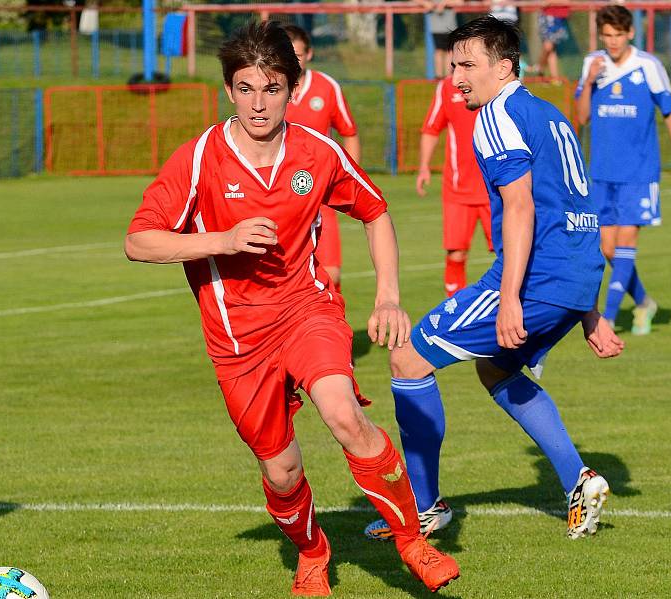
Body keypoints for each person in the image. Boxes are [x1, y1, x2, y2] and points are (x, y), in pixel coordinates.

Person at [124, 21, 459, 596]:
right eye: (247, 88)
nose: (259, 103)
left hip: (307, 310)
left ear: (293, 88)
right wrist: (221, 240)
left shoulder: (316, 152)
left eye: (272, 88)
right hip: (236, 338)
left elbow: (375, 212)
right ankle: (312, 552)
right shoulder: (199, 158)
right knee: (281, 470)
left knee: (343, 414)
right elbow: (139, 240)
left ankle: (412, 542)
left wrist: (388, 296)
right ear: (229, 90)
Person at [364, 16, 624, 543]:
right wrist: (587, 309)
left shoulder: (497, 117)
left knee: (408, 357)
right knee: (496, 368)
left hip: (533, 279)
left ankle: (422, 507)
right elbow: (577, 209)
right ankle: (579, 478)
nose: (455, 76)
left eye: (467, 65)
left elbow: (523, 207)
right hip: (572, 275)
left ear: (504, 68)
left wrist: (509, 298)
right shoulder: (549, 116)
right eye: (452, 64)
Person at [576, 5, 671, 335]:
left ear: (630, 33)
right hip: (600, 172)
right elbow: (581, 117)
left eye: (618, 35)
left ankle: (609, 318)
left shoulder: (649, 66)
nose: (612, 42)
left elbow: (670, 114)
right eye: (606, 35)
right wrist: (588, 81)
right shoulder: (592, 64)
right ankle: (643, 302)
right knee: (607, 248)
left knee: (626, 240)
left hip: (639, 172)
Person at [283, 24, 361, 291]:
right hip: (280, 198)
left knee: (332, 274)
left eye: (298, 54)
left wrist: (350, 178)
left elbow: (349, 131)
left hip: (321, 195)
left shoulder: (327, 87)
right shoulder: (271, 90)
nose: (294, 61)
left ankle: (333, 331)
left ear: (310, 54)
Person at [416, 72, 493, 297]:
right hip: (458, 189)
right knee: (455, 254)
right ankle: (455, 315)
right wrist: (423, 166)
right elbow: (431, 128)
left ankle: (513, 311)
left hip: (497, 189)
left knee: (509, 253)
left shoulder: (496, 81)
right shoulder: (446, 88)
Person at [417, 0, 457, 79]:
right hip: (436, 28)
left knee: (449, 51)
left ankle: (448, 77)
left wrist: (444, 3)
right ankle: (438, 77)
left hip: (450, 27)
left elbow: (460, 1)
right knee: (438, 51)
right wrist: (425, 3)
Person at [535, 3, 571, 80]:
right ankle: (540, 66)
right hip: (548, 16)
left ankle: (554, 77)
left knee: (552, 48)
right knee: (548, 46)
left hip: (560, 17)